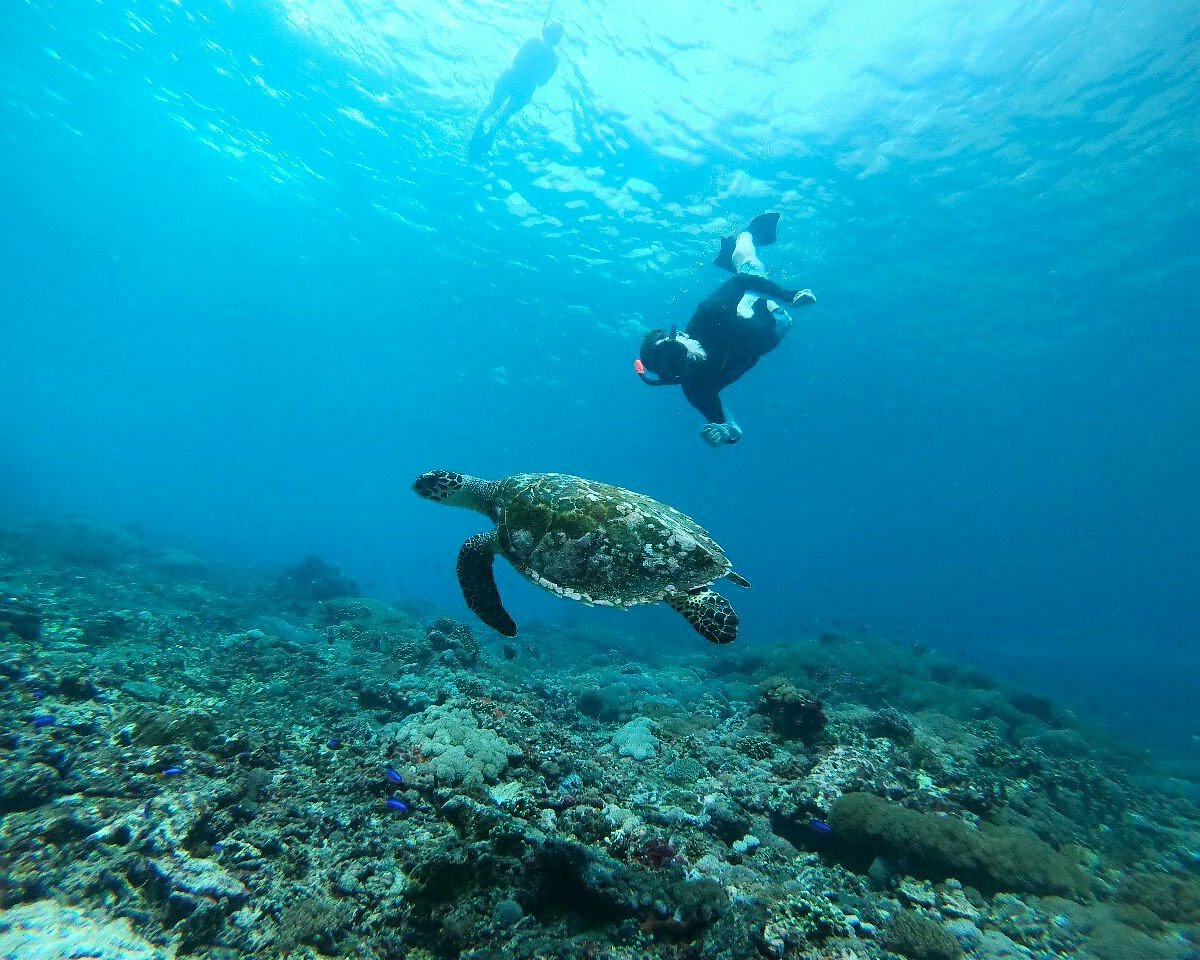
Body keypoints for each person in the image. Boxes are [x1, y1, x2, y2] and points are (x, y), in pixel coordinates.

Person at [635, 212, 816, 446]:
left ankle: (745, 235)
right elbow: (733, 430)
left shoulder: (708, 315)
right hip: (773, 332)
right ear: (671, 376)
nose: (685, 359)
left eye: (676, 352)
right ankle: (735, 260)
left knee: (750, 271)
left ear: (679, 335)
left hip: (759, 310)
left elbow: (743, 283)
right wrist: (723, 433)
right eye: (676, 365)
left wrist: (789, 296)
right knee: (767, 309)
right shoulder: (695, 387)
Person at [468, 21, 565, 161]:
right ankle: (487, 131)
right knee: (500, 111)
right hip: (523, 85)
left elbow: (518, 61)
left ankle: (484, 128)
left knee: (497, 108)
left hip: (515, 78)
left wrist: (530, 65)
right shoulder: (552, 57)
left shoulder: (539, 46)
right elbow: (542, 81)